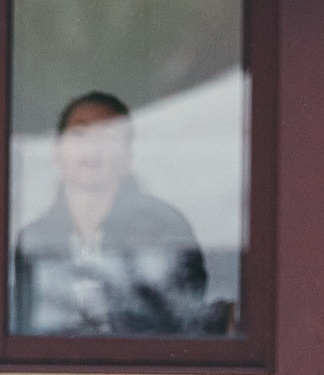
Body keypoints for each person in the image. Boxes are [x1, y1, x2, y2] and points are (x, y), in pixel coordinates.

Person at [13, 92, 209, 335]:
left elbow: (184, 327)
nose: (91, 148)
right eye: (79, 134)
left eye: (107, 137)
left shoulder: (163, 227)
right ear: (57, 152)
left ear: (127, 158)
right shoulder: (35, 238)